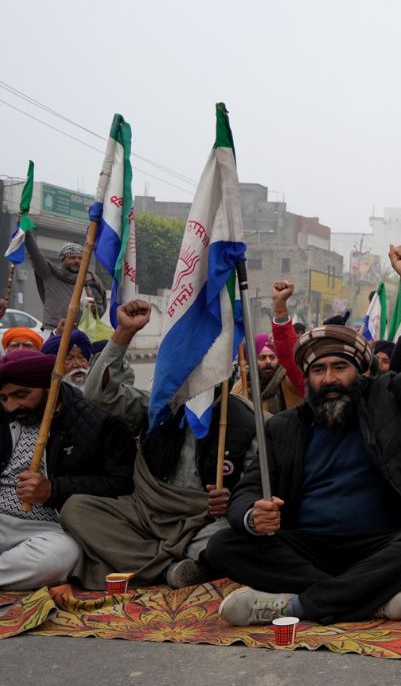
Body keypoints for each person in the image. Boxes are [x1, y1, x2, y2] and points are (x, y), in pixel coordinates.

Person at [206, 245, 401, 626]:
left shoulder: (390, 398)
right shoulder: (284, 427)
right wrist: (252, 517)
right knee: (224, 544)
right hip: (307, 547)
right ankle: (367, 597)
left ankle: (296, 606)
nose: (330, 379)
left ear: (359, 371)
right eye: (319, 370)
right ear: (307, 378)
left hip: (380, 542)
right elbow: (248, 490)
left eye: (340, 367)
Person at [60, 300, 255, 589]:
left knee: (226, 540)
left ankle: (144, 561)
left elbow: (258, 489)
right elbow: (98, 395)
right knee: (75, 509)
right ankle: (170, 568)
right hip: (147, 514)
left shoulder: (246, 420)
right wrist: (123, 334)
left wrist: (234, 501)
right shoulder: (158, 407)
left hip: (203, 521)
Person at [0, 349, 133, 588]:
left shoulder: (96, 422)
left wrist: (53, 490)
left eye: (21, 395)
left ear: (50, 387)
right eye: (3, 398)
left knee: (61, 556)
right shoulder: (4, 415)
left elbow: (120, 484)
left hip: (46, 528)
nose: (10, 406)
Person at [233, 282, 305, 416]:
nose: (268, 362)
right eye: (262, 358)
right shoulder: (240, 388)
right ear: (251, 360)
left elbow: (291, 357)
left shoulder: (289, 382)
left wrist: (280, 307)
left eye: (272, 357)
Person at [24, 233, 106, 331]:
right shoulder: (50, 273)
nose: (77, 261)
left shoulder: (90, 280)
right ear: (62, 260)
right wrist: (27, 232)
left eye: (80, 258)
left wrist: (94, 309)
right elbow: (35, 255)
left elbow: (100, 311)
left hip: (83, 333)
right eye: (72, 257)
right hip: (54, 330)